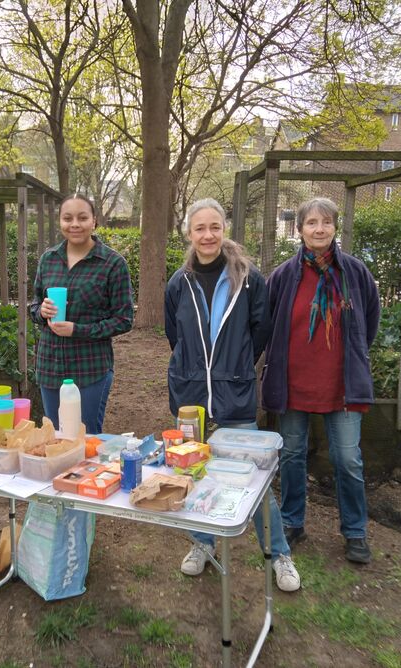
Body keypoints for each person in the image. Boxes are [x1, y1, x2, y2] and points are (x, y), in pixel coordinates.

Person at [164, 198, 300, 592]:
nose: (208, 235)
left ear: (224, 229)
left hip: (235, 395)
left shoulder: (248, 278)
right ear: (189, 233)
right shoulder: (179, 282)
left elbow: (261, 331)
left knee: (252, 478)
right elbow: (175, 334)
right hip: (191, 399)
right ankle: (203, 546)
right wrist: (195, 368)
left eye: (215, 227)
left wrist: (236, 367)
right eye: (199, 228)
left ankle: (280, 555)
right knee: (196, 472)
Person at [261, 197, 380, 564]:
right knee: (293, 455)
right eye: (311, 223)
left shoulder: (355, 274)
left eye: (326, 223)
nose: (319, 229)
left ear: (335, 228)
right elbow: (267, 325)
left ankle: (355, 531)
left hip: (341, 386)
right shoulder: (282, 276)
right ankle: (293, 522)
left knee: (348, 459)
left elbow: (369, 322)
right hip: (293, 384)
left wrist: (353, 357)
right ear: (299, 230)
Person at [30, 193, 134, 434]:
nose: (74, 224)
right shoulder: (49, 259)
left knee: (85, 438)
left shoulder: (112, 263)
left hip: (90, 368)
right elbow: (34, 305)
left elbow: (124, 319)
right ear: (60, 222)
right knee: (54, 437)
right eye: (67, 218)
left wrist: (78, 330)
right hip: (50, 366)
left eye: (82, 217)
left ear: (94, 221)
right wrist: (41, 311)